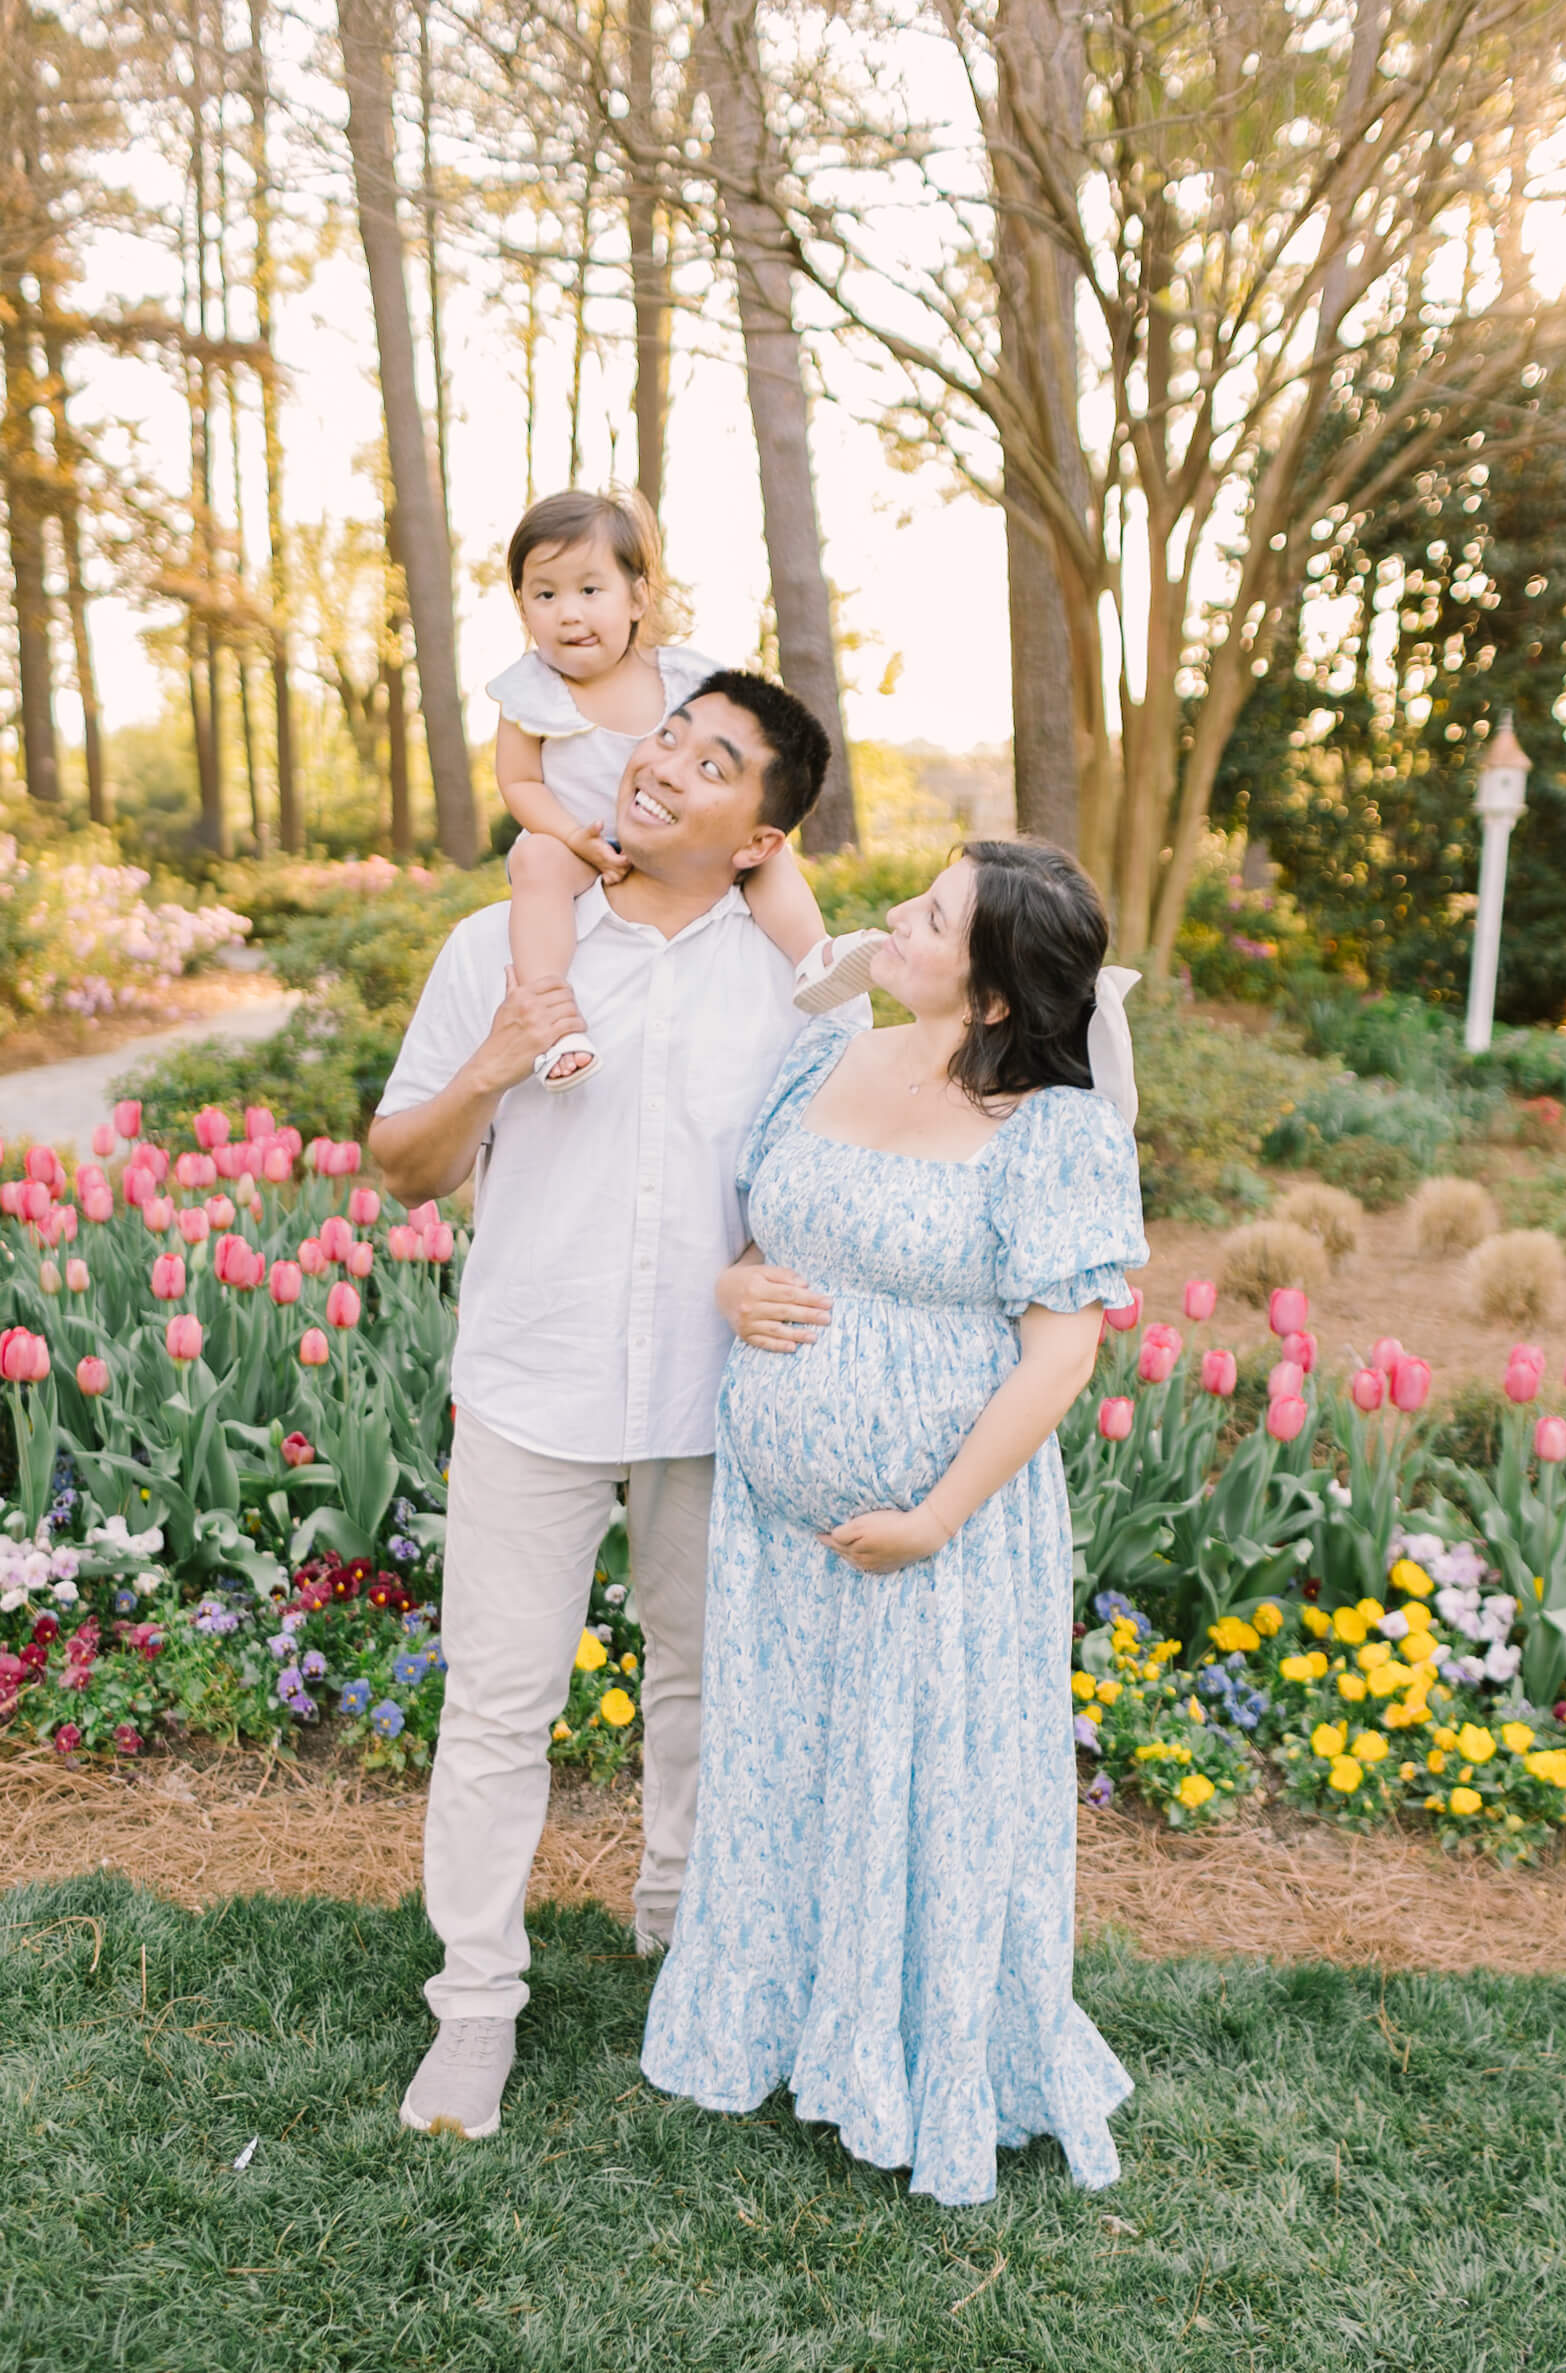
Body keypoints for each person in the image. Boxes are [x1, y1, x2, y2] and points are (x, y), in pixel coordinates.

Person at [367, 670, 865, 2144]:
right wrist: (496, 1063)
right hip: (530, 1383)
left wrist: (761, 1262)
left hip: (717, 1408)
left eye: (712, 762)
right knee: (495, 1708)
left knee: (703, 1691)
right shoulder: (499, 945)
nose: (660, 764)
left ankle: (678, 1931)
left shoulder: (790, 986)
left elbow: (822, 1185)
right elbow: (402, 1162)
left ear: (763, 835)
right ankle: (473, 2010)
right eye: (666, 733)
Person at [641, 840, 1148, 2207]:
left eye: (929, 917)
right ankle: (790, 2019)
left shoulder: (1052, 1134)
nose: (895, 922)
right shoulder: (830, 1060)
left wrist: (931, 1515)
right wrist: (737, 1291)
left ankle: (913, 2049)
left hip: (943, 1539)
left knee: (922, 1782)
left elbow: (1059, 1357)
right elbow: (764, 1239)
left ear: (990, 996)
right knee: (797, 1773)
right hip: (779, 1534)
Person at [488, 486, 883, 1089]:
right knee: (533, 860)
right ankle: (551, 1018)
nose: (568, 612)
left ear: (638, 597)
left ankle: (813, 956)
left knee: (766, 856)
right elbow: (518, 781)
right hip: (583, 844)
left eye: (590, 591)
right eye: (545, 594)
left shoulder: (682, 675)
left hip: (683, 844)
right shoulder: (529, 693)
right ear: (523, 606)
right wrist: (573, 835)